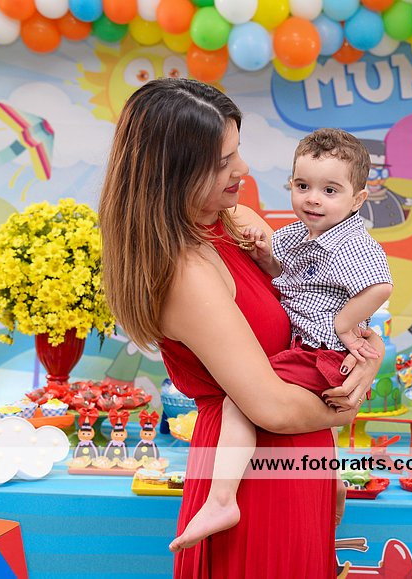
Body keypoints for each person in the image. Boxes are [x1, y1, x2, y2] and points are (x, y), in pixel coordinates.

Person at [98, 78, 384, 578]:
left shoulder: (237, 222)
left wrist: (367, 351)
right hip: (250, 476)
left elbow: (316, 311)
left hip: (300, 455)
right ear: (174, 173)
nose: (243, 169)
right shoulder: (186, 273)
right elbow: (272, 408)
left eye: (238, 150)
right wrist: (349, 404)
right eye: (222, 161)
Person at [170, 128, 393, 551]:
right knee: (248, 397)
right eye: (302, 186)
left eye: (330, 190)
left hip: (314, 364)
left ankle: (222, 499)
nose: (313, 199)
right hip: (286, 413)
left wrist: (350, 330)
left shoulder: (347, 242)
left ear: (358, 199)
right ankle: (251, 495)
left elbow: (378, 287)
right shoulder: (293, 236)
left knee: (240, 399)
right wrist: (266, 260)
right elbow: (287, 284)